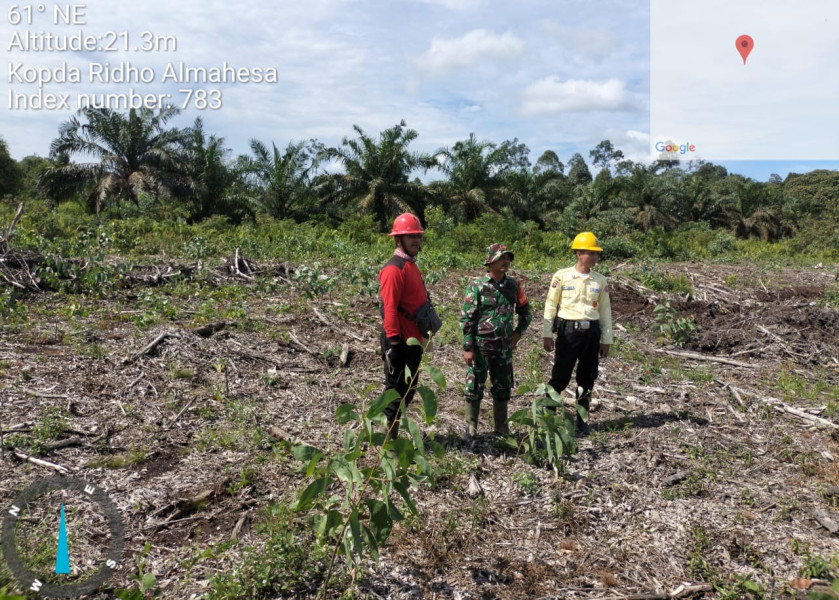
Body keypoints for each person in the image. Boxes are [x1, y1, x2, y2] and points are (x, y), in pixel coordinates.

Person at [542, 232, 613, 435]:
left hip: (591, 333)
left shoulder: (600, 280)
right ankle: (549, 417)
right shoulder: (562, 276)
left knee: (587, 377)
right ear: (579, 253)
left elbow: (605, 311)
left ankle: (582, 420)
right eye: (590, 253)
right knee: (560, 376)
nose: (594, 257)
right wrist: (547, 333)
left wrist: (606, 339)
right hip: (568, 332)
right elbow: (551, 305)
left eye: (596, 253)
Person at [460, 243, 531, 439]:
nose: (506, 262)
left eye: (508, 258)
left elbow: (526, 312)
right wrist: (468, 347)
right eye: (501, 258)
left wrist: (518, 333)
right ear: (490, 261)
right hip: (480, 346)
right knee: (474, 385)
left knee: (503, 386)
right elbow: (467, 318)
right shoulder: (477, 286)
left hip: (504, 348)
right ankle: (471, 427)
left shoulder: (513, 286)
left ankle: (501, 427)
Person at [378, 212, 428, 439]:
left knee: (408, 390)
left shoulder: (410, 265)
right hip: (400, 341)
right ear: (398, 240)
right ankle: (386, 441)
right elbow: (389, 309)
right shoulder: (393, 269)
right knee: (395, 391)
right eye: (410, 236)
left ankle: (392, 435)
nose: (416, 240)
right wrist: (394, 344)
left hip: (413, 341)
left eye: (418, 235)